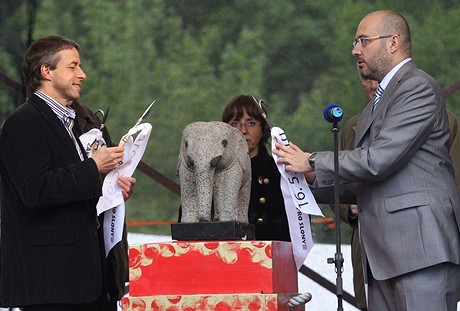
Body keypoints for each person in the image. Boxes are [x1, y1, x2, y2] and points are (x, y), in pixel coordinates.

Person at [273, 10, 460, 311]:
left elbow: (379, 160)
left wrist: (311, 160)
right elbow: (367, 177)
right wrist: (307, 178)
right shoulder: (378, 101)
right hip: (382, 255)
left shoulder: (418, 87)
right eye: (355, 41)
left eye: (363, 41)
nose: (355, 50)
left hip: (419, 249)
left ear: (393, 42)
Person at [0, 35, 133, 310]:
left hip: (93, 279)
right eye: (72, 67)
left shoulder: (81, 122)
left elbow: (80, 187)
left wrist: (113, 187)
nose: (82, 75)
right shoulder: (22, 123)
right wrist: (93, 168)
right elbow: (35, 190)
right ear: (46, 71)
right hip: (50, 285)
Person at [330, 76, 378, 311]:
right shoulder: (351, 127)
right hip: (366, 247)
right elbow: (337, 186)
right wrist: (348, 208)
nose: (373, 86)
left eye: (380, 80)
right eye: (367, 79)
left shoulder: (441, 119)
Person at [222, 94, 290, 241]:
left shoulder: (279, 172)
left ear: (263, 129)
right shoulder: (213, 173)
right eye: (234, 124)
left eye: (251, 123)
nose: (243, 130)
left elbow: (291, 231)